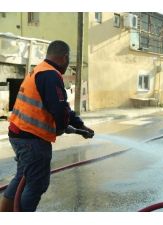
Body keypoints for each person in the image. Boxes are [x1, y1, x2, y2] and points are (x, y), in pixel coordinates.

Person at [0, 40, 94, 212]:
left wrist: (79, 126)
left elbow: (60, 107)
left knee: (22, 177)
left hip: (18, 134)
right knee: (36, 184)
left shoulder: (39, 70)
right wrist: (62, 126)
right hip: (32, 140)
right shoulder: (51, 75)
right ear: (65, 58)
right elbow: (59, 109)